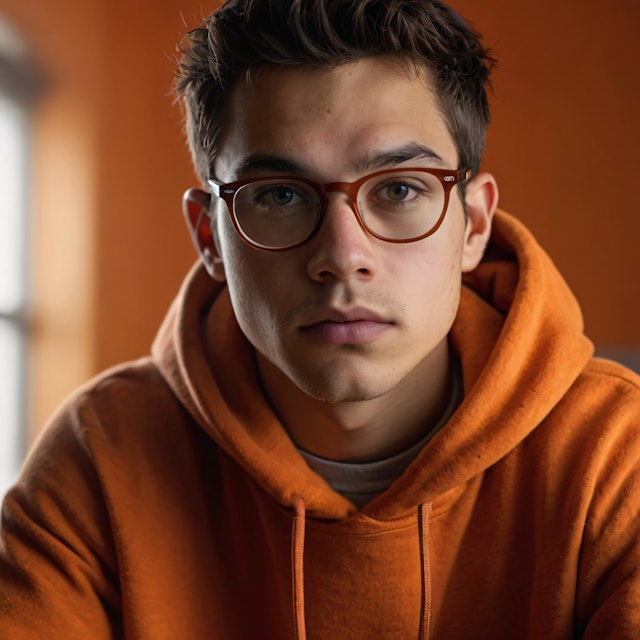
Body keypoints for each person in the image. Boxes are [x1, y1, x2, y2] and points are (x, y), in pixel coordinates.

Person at [1, 0, 639, 637]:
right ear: (209, 239)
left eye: (399, 189)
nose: (341, 257)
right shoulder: (99, 460)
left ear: (472, 225)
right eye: (279, 195)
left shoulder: (616, 456)